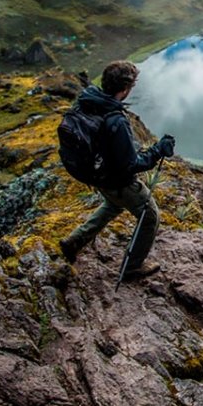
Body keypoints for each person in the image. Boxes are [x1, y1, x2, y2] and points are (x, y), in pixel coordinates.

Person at [59, 61, 175, 280]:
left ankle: (74, 241)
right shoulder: (115, 119)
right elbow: (131, 164)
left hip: (96, 175)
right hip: (117, 181)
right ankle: (132, 268)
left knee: (112, 206)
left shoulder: (88, 102)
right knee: (149, 217)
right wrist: (158, 150)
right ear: (125, 89)